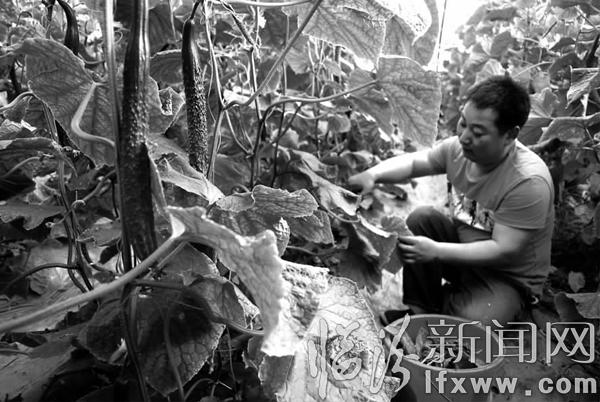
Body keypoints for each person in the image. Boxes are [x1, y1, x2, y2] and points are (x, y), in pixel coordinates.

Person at [348, 76, 554, 326]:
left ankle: (455, 310)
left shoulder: (528, 181)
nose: (464, 137)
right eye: (463, 123)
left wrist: (436, 251)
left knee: (472, 321)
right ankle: (420, 311)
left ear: (510, 134)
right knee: (421, 219)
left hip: (506, 277)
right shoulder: (458, 150)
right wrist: (373, 175)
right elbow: (415, 162)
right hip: (463, 256)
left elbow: (503, 251)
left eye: (477, 132)